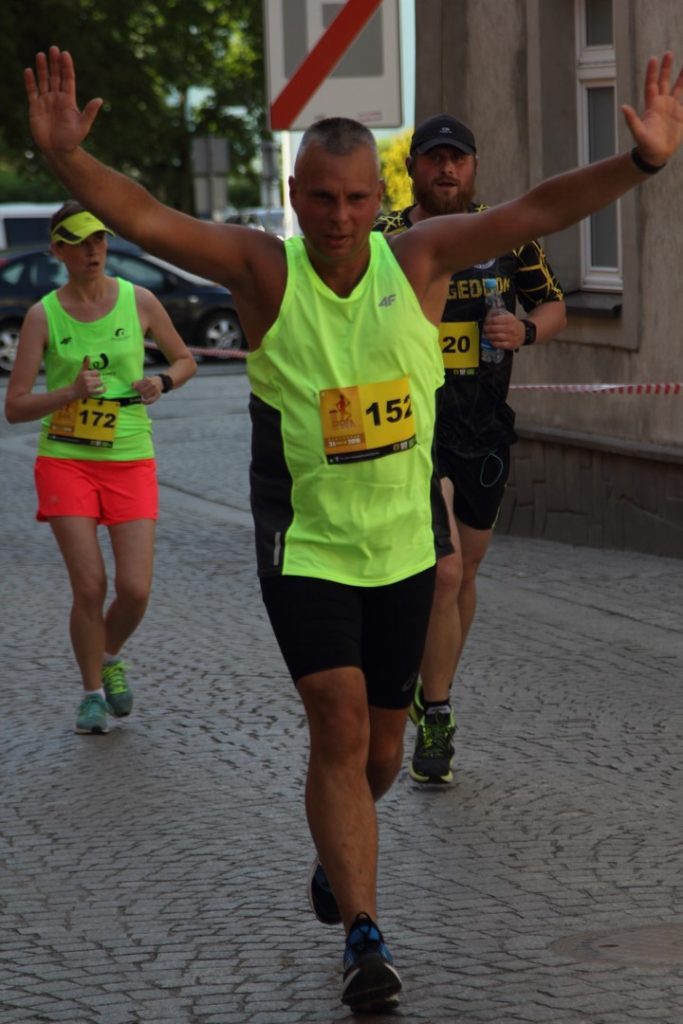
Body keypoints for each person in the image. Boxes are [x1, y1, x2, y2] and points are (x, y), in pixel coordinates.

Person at [23, 45, 683, 1013]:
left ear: (380, 200)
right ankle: (363, 936)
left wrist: (642, 161)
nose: (338, 217)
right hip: (307, 547)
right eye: (321, 199)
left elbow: (531, 212)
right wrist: (67, 159)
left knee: (378, 755)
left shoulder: (417, 260)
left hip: (404, 546)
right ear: (294, 197)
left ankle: (339, 854)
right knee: (333, 723)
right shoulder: (262, 271)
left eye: (355, 199)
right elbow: (149, 217)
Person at [374, 115, 567, 785]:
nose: (446, 169)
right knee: (445, 572)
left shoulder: (504, 236)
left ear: (474, 167)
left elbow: (554, 306)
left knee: (467, 573)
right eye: (434, 158)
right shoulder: (384, 240)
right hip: (415, 427)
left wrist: (525, 331)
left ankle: (435, 687)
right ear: (413, 169)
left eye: (457, 158)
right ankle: (436, 712)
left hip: (483, 425)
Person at [4, 200, 196, 735]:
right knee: (90, 586)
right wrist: (67, 392)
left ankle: (108, 654)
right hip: (66, 460)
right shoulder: (43, 315)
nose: (92, 251)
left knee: (135, 589)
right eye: (79, 243)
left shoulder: (139, 300)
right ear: (57, 250)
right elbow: (15, 406)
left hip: (130, 457)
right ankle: (91, 695)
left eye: (99, 240)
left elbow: (185, 360)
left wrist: (163, 381)